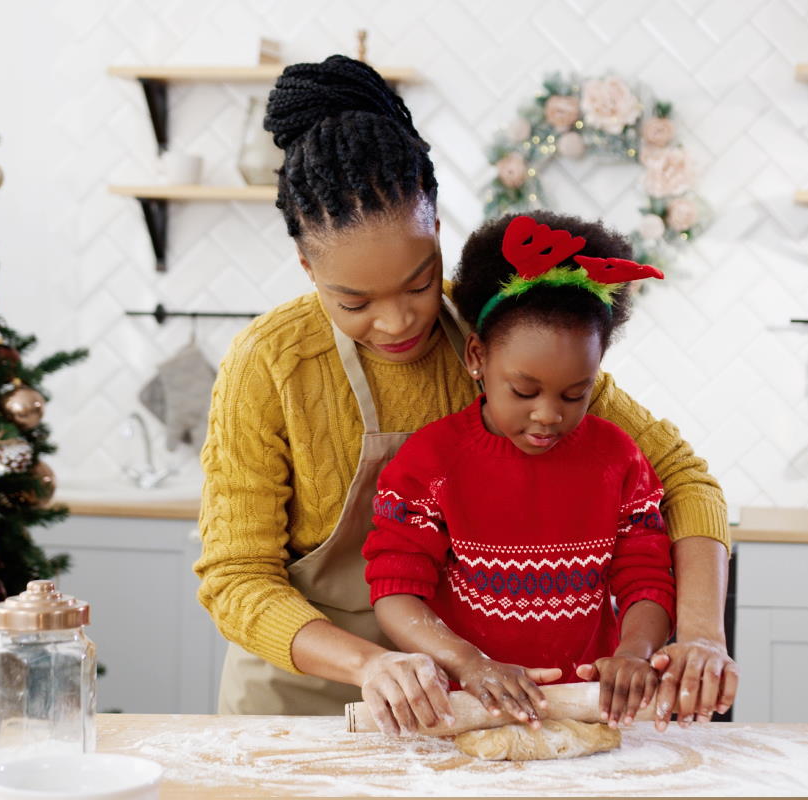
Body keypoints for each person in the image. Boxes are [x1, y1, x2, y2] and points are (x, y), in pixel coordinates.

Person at [193, 54, 736, 735]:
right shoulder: (268, 364)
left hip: (464, 699)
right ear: (308, 267)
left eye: (420, 283)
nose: (398, 322)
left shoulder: (497, 338)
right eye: (353, 301)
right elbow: (236, 577)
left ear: (438, 230)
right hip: (300, 697)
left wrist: (701, 637)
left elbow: (685, 479)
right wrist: (372, 665)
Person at [364, 212, 676, 730]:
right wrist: (469, 663)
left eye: (576, 393)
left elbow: (646, 578)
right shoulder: (430, 463)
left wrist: (636, 651)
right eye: (524, 392)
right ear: (476, 357)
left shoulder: (618, 458)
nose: (549, 414)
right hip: (464, 712)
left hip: (588, 711)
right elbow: (396, 591)